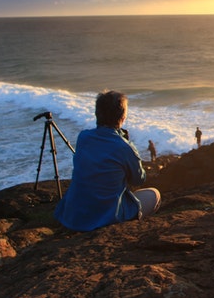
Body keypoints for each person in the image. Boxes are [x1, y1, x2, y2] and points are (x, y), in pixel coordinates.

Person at [54, 90, 161, 232]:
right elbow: (139, 179)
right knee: (154, 194)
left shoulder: (83, 137)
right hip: (105, 217)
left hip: (74, 216)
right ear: (123, 117)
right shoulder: (124, 147)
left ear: (97, 114)